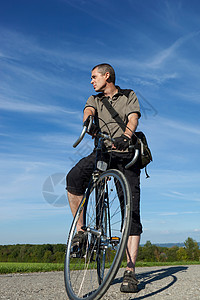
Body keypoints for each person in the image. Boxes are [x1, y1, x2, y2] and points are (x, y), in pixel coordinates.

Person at [66, 63, 142, 293]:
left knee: (131, 210)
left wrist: (127, 137)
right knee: (74, 179)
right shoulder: (94, 99)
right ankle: (82, 232)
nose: (91, 81)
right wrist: (87, 121)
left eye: (94, 76)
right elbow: (87, 111)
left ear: (106, 76)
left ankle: (129, 271)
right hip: (103, 151)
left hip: (126, 153)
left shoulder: (129, 95)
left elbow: (133, 119)